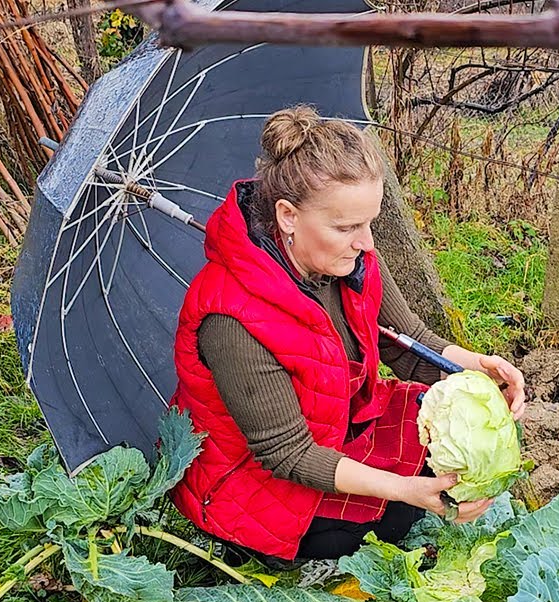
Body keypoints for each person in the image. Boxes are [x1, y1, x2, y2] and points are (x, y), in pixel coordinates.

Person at [169, 106, 527, 564]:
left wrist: (480, 368)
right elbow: (287, 453)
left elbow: (407, 340)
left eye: (369, 222)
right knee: (398, 511)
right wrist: (407, 490)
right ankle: (272, 555)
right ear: (287, 216)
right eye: (346, 227)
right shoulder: (232, 319)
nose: (367, 242)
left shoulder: (350, 261)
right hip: (257, 484)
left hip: (339, 424)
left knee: (461, 431)